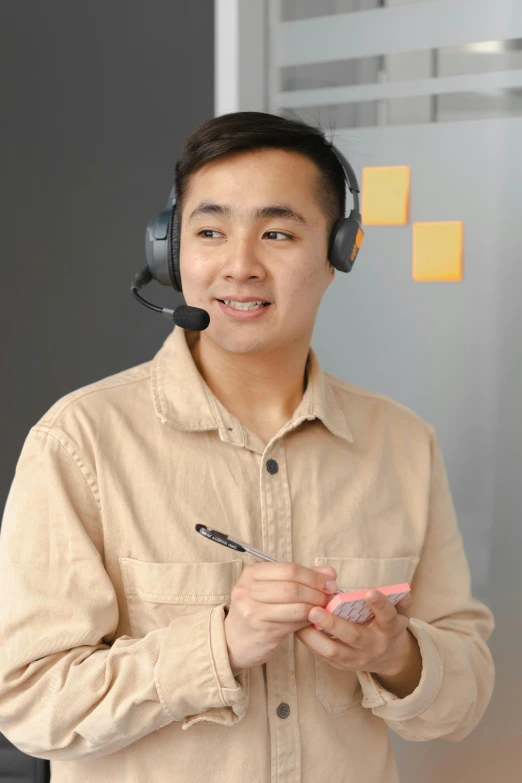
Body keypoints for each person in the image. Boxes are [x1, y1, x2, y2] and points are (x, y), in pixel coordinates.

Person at [0, 112, 494, 783]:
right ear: (170, 252)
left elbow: (464, 696)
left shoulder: (403, 444)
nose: (239, 265)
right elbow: (27, 701)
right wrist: (219, 644)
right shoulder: (79, 441)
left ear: (340, 251)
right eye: (209, 231)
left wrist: (397, 653)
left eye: (277, 233)